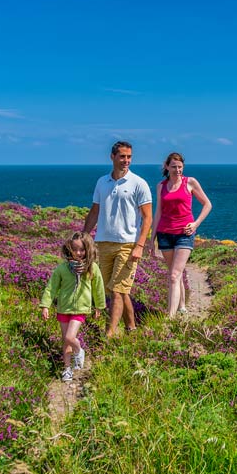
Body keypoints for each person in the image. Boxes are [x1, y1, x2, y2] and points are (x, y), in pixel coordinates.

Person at [82, 141, 152, 337]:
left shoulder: (139, 183)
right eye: (122, 156)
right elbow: (95, 211)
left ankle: (109, 336)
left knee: (119, 291)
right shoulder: (102, 182)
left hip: (128, 245)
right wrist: (84, 236)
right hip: (103, 243)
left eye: (129, 157)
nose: (126, 160)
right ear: (112, 157)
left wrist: (140, 246)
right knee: (113, 291)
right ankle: (131, 328)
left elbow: (148, 218)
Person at [149, 152, 212, 317]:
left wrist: (196, 224)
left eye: (180, 167)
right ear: (167, 167)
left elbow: (207, 204)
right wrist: (151, 238)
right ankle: (182, 306)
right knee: (174, 274)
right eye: (174, 166)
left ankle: (170, 317)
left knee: (174, 275)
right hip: (164, 233)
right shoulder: (161, 186)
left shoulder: (190, 182)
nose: (177, 170)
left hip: (184, 233)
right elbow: (158, 213)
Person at [39, 232, 106, 382]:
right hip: (63, 308)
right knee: (65, 340)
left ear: (88, 250)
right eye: (75, 249)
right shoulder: (62, 268)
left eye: (82, 250)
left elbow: (98, 288)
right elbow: (51, 287)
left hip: (80, 309)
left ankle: (79, 351)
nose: (78, 253)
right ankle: (67, 369)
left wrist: (99, 307)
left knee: (70, 337)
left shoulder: (92, 268)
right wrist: (45, 305)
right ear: (69, 249)